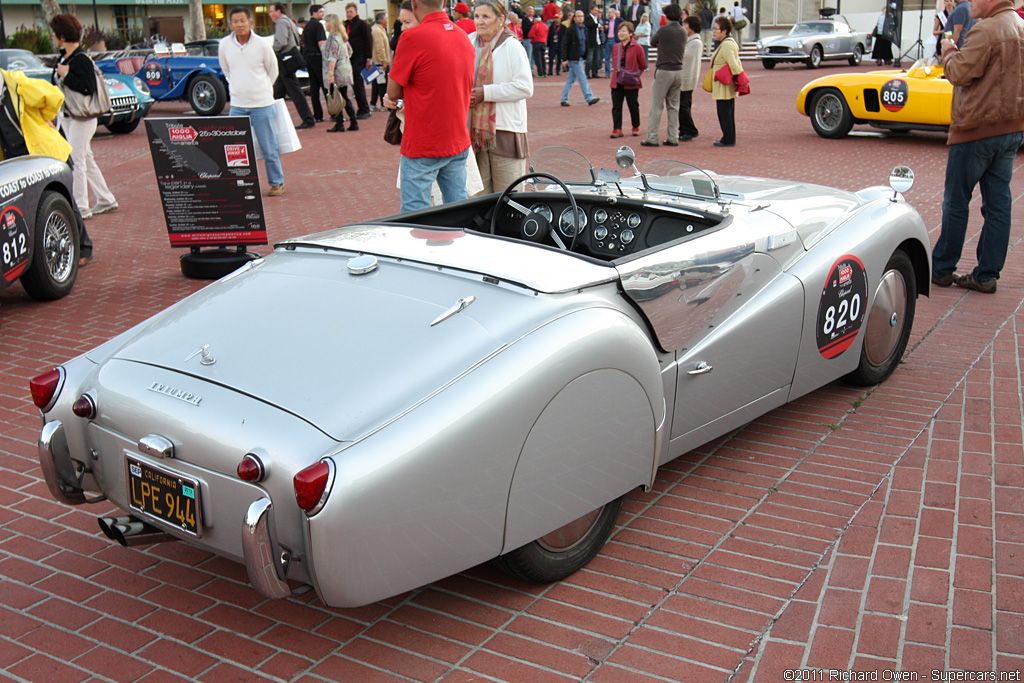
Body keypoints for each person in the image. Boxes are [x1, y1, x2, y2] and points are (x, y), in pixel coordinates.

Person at [930, 0, 1024, 294]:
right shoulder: (1019, 25)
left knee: (956, 201)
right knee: (998, 204)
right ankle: (986, 274)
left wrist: (948, 51)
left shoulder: (985, 31)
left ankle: (942, 268)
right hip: (1010, 127)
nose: (968, 2)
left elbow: (958, 73)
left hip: (976, 129)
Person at [386, 0, 475, 211]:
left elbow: (393, 92)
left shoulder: (411, 38)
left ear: (415, 4)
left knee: (414, 215)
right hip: (457, 137)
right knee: (459, 211)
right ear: (444, 3)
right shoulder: (462, 36)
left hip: (424, 141)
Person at [5, 54, 92, 265]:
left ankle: (83, 248)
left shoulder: (17, 84)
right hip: (16, 159)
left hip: (45, 153)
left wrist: (47, 118)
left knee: (63, 200)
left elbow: (54, 97)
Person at [49, 14, 118, 221]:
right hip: (68, 117)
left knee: (76, 161)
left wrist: (67, 75)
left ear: (62, 35)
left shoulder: (80, 60)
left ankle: (81, 206)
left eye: (55, 33)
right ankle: (105, 198)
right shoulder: (63, 59)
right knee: (86, 158)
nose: (53, 36)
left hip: (83, 118)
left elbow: (87, 87)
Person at [219, 6, 286, 196]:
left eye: (243, 21)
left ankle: (276, 183)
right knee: (236, 149)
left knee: (268, 147)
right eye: (235, 22)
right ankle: (241, 183)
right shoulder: (224, 45)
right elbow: (226, 70)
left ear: (250, 23)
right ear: (230, 24)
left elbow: (273, 70)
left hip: (262, 104)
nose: (239, 25)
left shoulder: (262, 44)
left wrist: (262, 89)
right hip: (238, 105)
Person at [469, 0, 533, 194]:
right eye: (477, 16)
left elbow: (524, 87)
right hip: (475, 133)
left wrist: (485, 93)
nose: (480, 22)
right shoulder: (468, 42)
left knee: (509, 199)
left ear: (500, 19)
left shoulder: (512, 46)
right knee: (478, 198)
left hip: (506, 131)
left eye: (486, 17)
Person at [641, 2, 684, 147]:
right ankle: (673, 137)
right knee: (673, 106)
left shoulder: (664, 30)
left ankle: (652, 137)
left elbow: (653, 41)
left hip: (664, 69)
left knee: (657, 105)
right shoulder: (683, 31)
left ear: (667, 16)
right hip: (678, 70)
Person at [269, 3, 315, 129]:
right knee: (277, 93)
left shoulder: (281, 22)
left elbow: (282, 42)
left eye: (271, 11)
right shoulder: (290, 21)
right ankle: (271, 119)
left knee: (294, 92)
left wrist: (272, 50)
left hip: (284, 61)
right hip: (288, 61)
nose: (270, 14)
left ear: (278, 11)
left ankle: (308, 119)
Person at [609, 21, 646, 138]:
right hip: (617, 81)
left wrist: (634, 75)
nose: (621, 33)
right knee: (616, 106)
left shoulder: (637, 47)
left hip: (631, 81)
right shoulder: (616, 47)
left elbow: (643, 65)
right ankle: (617, 128)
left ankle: (636, 126)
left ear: (630, 33)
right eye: (619, 31)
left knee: (633, 105)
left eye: (624, 31)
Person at [323, 13, 359, 131]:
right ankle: (352, 121)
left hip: (337, 71)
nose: (325, 24)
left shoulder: (333, 38)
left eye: (327, 22)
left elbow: (332, 58)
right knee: (343, 96)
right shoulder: (342, 37)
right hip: (345, 69)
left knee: (338, 97)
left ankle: (340, 123)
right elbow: (350, 51)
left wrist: (330, 73)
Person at [709, 15, 740, 146]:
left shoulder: (727, 45)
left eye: (717, 29)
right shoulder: (727, 43)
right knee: (727, 111)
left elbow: (733, 64)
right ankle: (728, 137)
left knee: (724, 112)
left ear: (724, 31)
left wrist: (736, 76)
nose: (714, 31)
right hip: (725, 82)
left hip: (724, 83)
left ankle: (728, 138)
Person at [560, 10, 601, 106]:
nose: (580, 18)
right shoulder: (571, 29)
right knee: (582, 77)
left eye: (581, 16)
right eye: (578, 16)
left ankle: (563, 98)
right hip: (574, 57)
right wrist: (564, 58)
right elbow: (565, 44)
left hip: (581, 56)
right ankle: (589, 97)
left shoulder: (584, 29)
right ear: (574, 18)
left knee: (570, 80)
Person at [344, 3, 374, 119]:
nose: (349, 14)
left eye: (351, 12)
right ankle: (361, 108)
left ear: (356, 12)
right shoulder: (346, 25)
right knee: (354, 84)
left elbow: (368, 41)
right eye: (347, 12)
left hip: (360, 56)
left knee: (358, 83)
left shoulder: (362, 25)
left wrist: (369, 58)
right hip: (350, 57)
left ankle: (364, 109)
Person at [677, 15, 702, 141]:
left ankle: (689, 129)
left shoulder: (695, 42)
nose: (684, 27)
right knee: (683, 105)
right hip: (684, 78)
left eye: (686, 25)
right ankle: (684, 128)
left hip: (687, 78)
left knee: (683, 106)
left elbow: (684, 56)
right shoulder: (689, 41)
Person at [303, 4, 327, 122]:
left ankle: (318, 114)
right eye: (321, 12)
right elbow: (321, 43)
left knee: (314, 88)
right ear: (314, 12)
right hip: (318, 57)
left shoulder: (307, 26)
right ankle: (333, 112)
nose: (323, 14)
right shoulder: (318, 26)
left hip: (308, 57)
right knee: (325, 85)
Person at [370, 11, 391, 110]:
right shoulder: (378, 31)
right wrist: (384, 61)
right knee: (382, 84)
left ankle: (373, 103)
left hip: (378, 61)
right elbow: (380, 47)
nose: (387, 21)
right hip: (379, 62)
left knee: (376, 84)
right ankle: (382, 104)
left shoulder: (379, 29)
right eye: (386, 19)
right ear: (383, 20)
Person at [585, 4, 604, 78]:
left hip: (597, 40)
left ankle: (594, 73)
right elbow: (590, 25)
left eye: (597, 10)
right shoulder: (588, 18)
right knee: (589, 58)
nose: (596, 12)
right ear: (591, 10)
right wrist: (598, 26)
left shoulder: (597, 19)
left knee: (597, 58)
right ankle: (587, 73)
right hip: (591, 41)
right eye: (595, 10)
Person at [604, 8, 623, 76]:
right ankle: (607, 73)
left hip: (615, 40)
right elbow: (604, 30)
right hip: (608, 40)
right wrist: (605, 28)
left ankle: (617, 72)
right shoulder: (607, 21)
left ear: (614, 13)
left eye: (610, 13)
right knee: (607, 58)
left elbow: (623, 27)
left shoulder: (619, 20)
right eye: (608, 13)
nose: (608, 14)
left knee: (616, 57)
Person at [547, 9, 565, 76]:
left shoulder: (563, 28)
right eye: (555, 18)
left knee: (559, 59)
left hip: (560, 45)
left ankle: (558, 70)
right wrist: (549, 44)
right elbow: (549, 36)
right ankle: (550, 70)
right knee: (551, 58)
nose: (557, 20)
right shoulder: (551, 27)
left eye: (558, 18)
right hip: (553, 45)